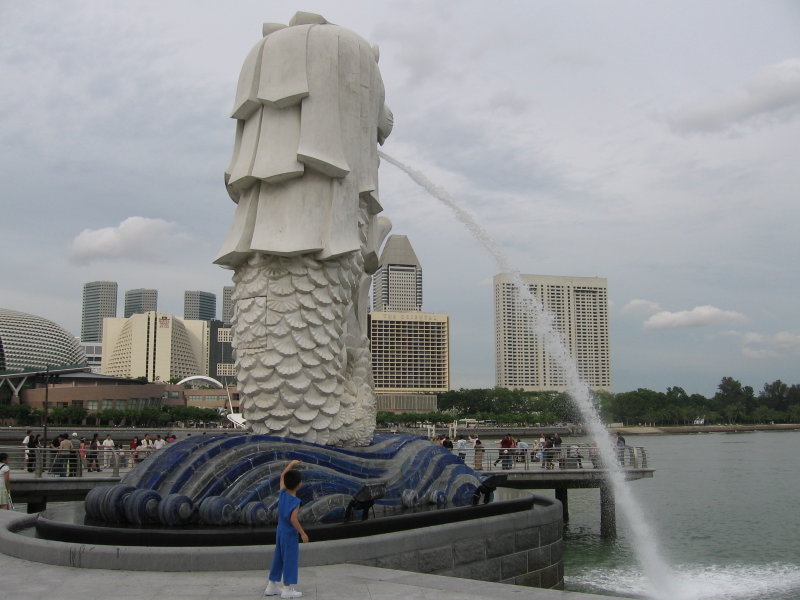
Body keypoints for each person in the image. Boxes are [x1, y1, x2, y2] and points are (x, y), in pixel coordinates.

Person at [264, 459, 308, 599]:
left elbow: (283, 475)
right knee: (290, 559)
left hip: (280, 531)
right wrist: (303, 533)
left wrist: (291, 464)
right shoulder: (295, 502)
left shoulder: (282, 493)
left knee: (278, 557)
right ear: (298, 485)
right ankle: (287, 589)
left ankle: (271, 585)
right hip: (289, 534)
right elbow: (293, 519)